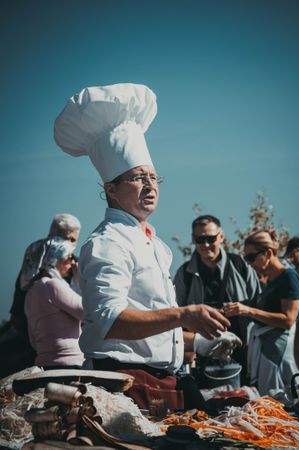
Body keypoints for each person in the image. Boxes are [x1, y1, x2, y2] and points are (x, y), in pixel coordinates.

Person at [54, 83, 240, 410]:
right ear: (111, 189)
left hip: (161, 378)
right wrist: (185, 314)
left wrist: (199, 341)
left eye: (154, 177)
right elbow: (111, 321)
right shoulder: (107, 243)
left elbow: (150, 329)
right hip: (124, 382)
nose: (150, 185)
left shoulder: (154, 244)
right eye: (138, 177)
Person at [174, 215, 261, 385]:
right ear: (193, 239)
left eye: (211, 238)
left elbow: (258, 305)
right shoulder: (184, 274)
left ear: (221, 236)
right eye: (200, 239)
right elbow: (176, 315)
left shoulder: (241, 266)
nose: (206, 245)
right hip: (202, 356)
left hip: (244, 351)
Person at [224, 229, 299, 395]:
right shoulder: (272, 280)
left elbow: (288, 320)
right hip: (268, 349)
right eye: (246, 258)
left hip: (279, 353)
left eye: (251, 257)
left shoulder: (289, 278)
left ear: (267, 253)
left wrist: (248, 311)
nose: (249, 263)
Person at [10, 213, 81, 339]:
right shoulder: (32, 266)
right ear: (50, 238)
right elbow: (18, 312)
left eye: (72, 240)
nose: (69, 245)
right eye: (64, 239)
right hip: (37, 338)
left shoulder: (80, 266)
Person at [24, 237, 84, 369]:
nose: (72, 263)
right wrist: (80, 281)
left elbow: (33, 339)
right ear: (54, 259)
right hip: (69, 363)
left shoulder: (31, 292)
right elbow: (87, 312)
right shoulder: (53, 285)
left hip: (44, 363)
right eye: (69, 257)